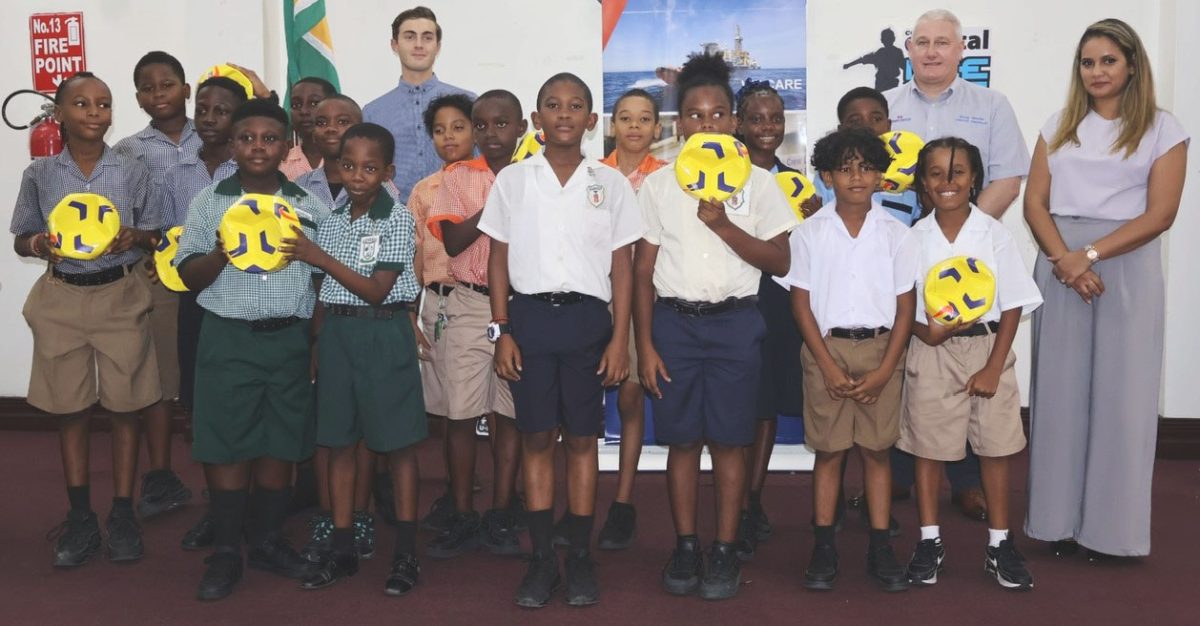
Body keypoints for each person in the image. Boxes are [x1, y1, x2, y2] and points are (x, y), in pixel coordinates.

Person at [1024, 18, 1189, 560]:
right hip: (1059, 262)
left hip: (1125, 266)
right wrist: (1065, 261)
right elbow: (1034, 204)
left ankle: (1111, 534)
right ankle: (1056, 525)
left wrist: (1089, 256)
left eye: (1108, 61)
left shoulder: (1163, 128)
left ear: (1132, 65)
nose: (1096, 72)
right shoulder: (1058, 124)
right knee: (1059, 398)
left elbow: (1162, 214)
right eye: (1087, 62)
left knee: (1123, 401)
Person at [636, 53, 794, 601]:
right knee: (681, 444)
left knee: (730, 443)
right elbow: (642, 272)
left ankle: (724, 548)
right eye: (695, 115)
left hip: (735, 324)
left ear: (734, 121)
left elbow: (779, 262)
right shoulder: (657, 188)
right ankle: (685, 544)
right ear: (679, 125)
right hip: (675, 325)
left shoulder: (759, 184)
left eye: (718, 114)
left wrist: (724, 224)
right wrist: (645, 345)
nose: (707, 124)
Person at [484, 72, 643, 608]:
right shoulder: (513, 181)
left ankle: (578, 556)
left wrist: (620, 339)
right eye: (553, 105)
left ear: (592, 121)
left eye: (576, 106)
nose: (564, 114)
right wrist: (501, 329)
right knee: (535, 438)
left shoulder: (611, 183)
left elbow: (622, 265)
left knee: (581, 440)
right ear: (537, 120)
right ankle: (539, 562)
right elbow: (498, 259)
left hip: (587, 323)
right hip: (528, 320)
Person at [176, 98, 331, 601]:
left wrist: (313, 344)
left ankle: (265, 539)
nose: (258, 146)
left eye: (269, 138)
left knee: (278, 441)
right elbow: (188, 277)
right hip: (228, 337)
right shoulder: (209, 202)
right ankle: (225, 549)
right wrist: (224, 248)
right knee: (226, 442)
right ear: (231, 144)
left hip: (288, 338)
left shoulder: (309, 206)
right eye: (247, 138)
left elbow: (324, 283)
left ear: (288, 145)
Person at [884, 8, 1032, 521]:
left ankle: (967, 482)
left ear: (960, 50)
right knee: (914, 368)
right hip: (903, 251)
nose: (931, 51)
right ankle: (900, 474)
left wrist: (960, 236)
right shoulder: (884, 108)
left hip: (972, 266)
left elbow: (1008, 179)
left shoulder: (991, 105)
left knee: (969, 371)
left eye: (941, 43)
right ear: (909, 49)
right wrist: (917, 243)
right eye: (922, 41)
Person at [11, 71, 160, 568]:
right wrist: (38, 244)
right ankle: (80, 517)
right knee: (70, 408)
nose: (94, 112)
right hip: (63, 299)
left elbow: (157, 231)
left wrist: (135, 237)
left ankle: (121, 512)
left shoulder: (133, 168)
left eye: (103, 104)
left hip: (119, 294)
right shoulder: (41, 174)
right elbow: (22, 236)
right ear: (59, 113)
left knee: (125, 406)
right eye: (81, 104)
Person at [284, 123, 427, 596]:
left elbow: (377, 287)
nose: (358, 175)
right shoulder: (335, 217)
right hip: (340, 334)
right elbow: (323, 293)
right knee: (339, 443)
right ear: (337, 167)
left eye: (370, 167)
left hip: (384, 330)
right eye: (349, 166)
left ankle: (406, 551)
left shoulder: (397, 218)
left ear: (387, 171)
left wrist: (319, 257)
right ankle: (342, 547)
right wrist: (316, 341)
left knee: (399, 446)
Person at [779, 127, 917, 593]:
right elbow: (800, 304)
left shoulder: (898, 235)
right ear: (825, 176)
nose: (856, 177)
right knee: (830, 452)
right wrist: (828, 365)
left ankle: (880, 544)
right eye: (845, 168)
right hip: (826, 350)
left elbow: (905, 309)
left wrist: (885, 369)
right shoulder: (810, 233)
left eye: (866, 167)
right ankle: (823, 544)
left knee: (877, 453)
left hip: (881, 349)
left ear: (881, 175)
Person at [901, 137, 1041, 590]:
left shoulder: (993, 233)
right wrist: (927, 332)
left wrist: (993, 368)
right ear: (922, 182)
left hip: (988, 350)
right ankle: (928, 541)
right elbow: (901, 308)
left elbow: (1014, 303)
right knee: (929, 449)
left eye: (958, 173)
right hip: (932, 352)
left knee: (996, 449)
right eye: (936, 173)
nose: (947, 182)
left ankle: (1000, 544)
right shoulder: (912, 239)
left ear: (974, 179)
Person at [425, 90, 526, 559]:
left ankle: (504, 507)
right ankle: (463, 509)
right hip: (469, 304)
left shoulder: (539, 177)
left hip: (522, 308)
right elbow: (452, 241)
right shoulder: (458, 178)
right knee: (461, 413)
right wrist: (497, 206)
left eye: (501, 124)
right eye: (481, 126)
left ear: (522, 127)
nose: (491, 134)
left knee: (509, 413)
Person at [153, 76, 249, 551]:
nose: (210, 119)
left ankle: (250, 505)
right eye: (204, 109)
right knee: (202, 401)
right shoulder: (175, 175)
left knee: (247, 403)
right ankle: (218, 505)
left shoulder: (253, 170)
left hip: (248, 299)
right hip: (196, 300)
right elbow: (168, 239)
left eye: (222, 111)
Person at [293, 94, 383, 563]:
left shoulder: (384, 194)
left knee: (361, 425)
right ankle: (331, 512)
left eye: (343, 121)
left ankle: (360, 511)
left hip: (360, 322)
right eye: (321, 120)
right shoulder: (295, 188)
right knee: (329, 427)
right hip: (309, 318)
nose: (330, 128)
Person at [114, 51, 196, 521]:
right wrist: (140, 254)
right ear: (138, 97)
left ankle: (225, 477)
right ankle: (162, 475)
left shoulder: (214, 137)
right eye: (147, 87)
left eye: (168, 84)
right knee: (162, 378)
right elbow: (122, 217)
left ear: (186, 89)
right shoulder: (129, 150)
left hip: (217, 270)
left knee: (209, 374)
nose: (158, 93)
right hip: (160, 276)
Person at [585, 88, 666, 551]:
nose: (635, 126)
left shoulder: (670, 178)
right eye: (625, 117)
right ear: (611, 125)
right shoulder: (590, 175)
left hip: (643, 299)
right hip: (592, 294)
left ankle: (623, 500)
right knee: (580, 403)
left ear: (658, 128)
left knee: (631, 396)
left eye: (645, 118)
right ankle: (578, 501)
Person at [732, 79, 805, 560]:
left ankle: (750, 502)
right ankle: (730, 500)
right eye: (756, 118)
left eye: (775, 118)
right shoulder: (719, 177)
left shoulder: (797, 184)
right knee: (733, 407)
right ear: (737, 122)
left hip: (776, 304)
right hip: (730, 302)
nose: (766, 127)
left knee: (764, 408)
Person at [407, 93, 477, 534]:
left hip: (478, 299)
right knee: (450, 411)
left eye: (458, 127)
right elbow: (416, 254)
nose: (449, 137)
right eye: (439, 129)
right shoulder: (424, 190)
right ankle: (457, 493)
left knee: (478, 410)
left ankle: (490, 498)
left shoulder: (491, 182)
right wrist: (413, 312)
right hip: (436, 304)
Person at [364, 6, 475, 203]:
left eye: (427, 37)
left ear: (438, 46)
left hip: (459, 219)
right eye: (409, 36)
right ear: (394, 45)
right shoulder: (373, 113)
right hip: (395, 223)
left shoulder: (468, 102)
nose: (419, 45)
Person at [280, 77, 337, 180]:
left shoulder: (346, 161)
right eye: (295, 105)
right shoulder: (281, 164)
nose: (303, 111)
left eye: (314, 103)